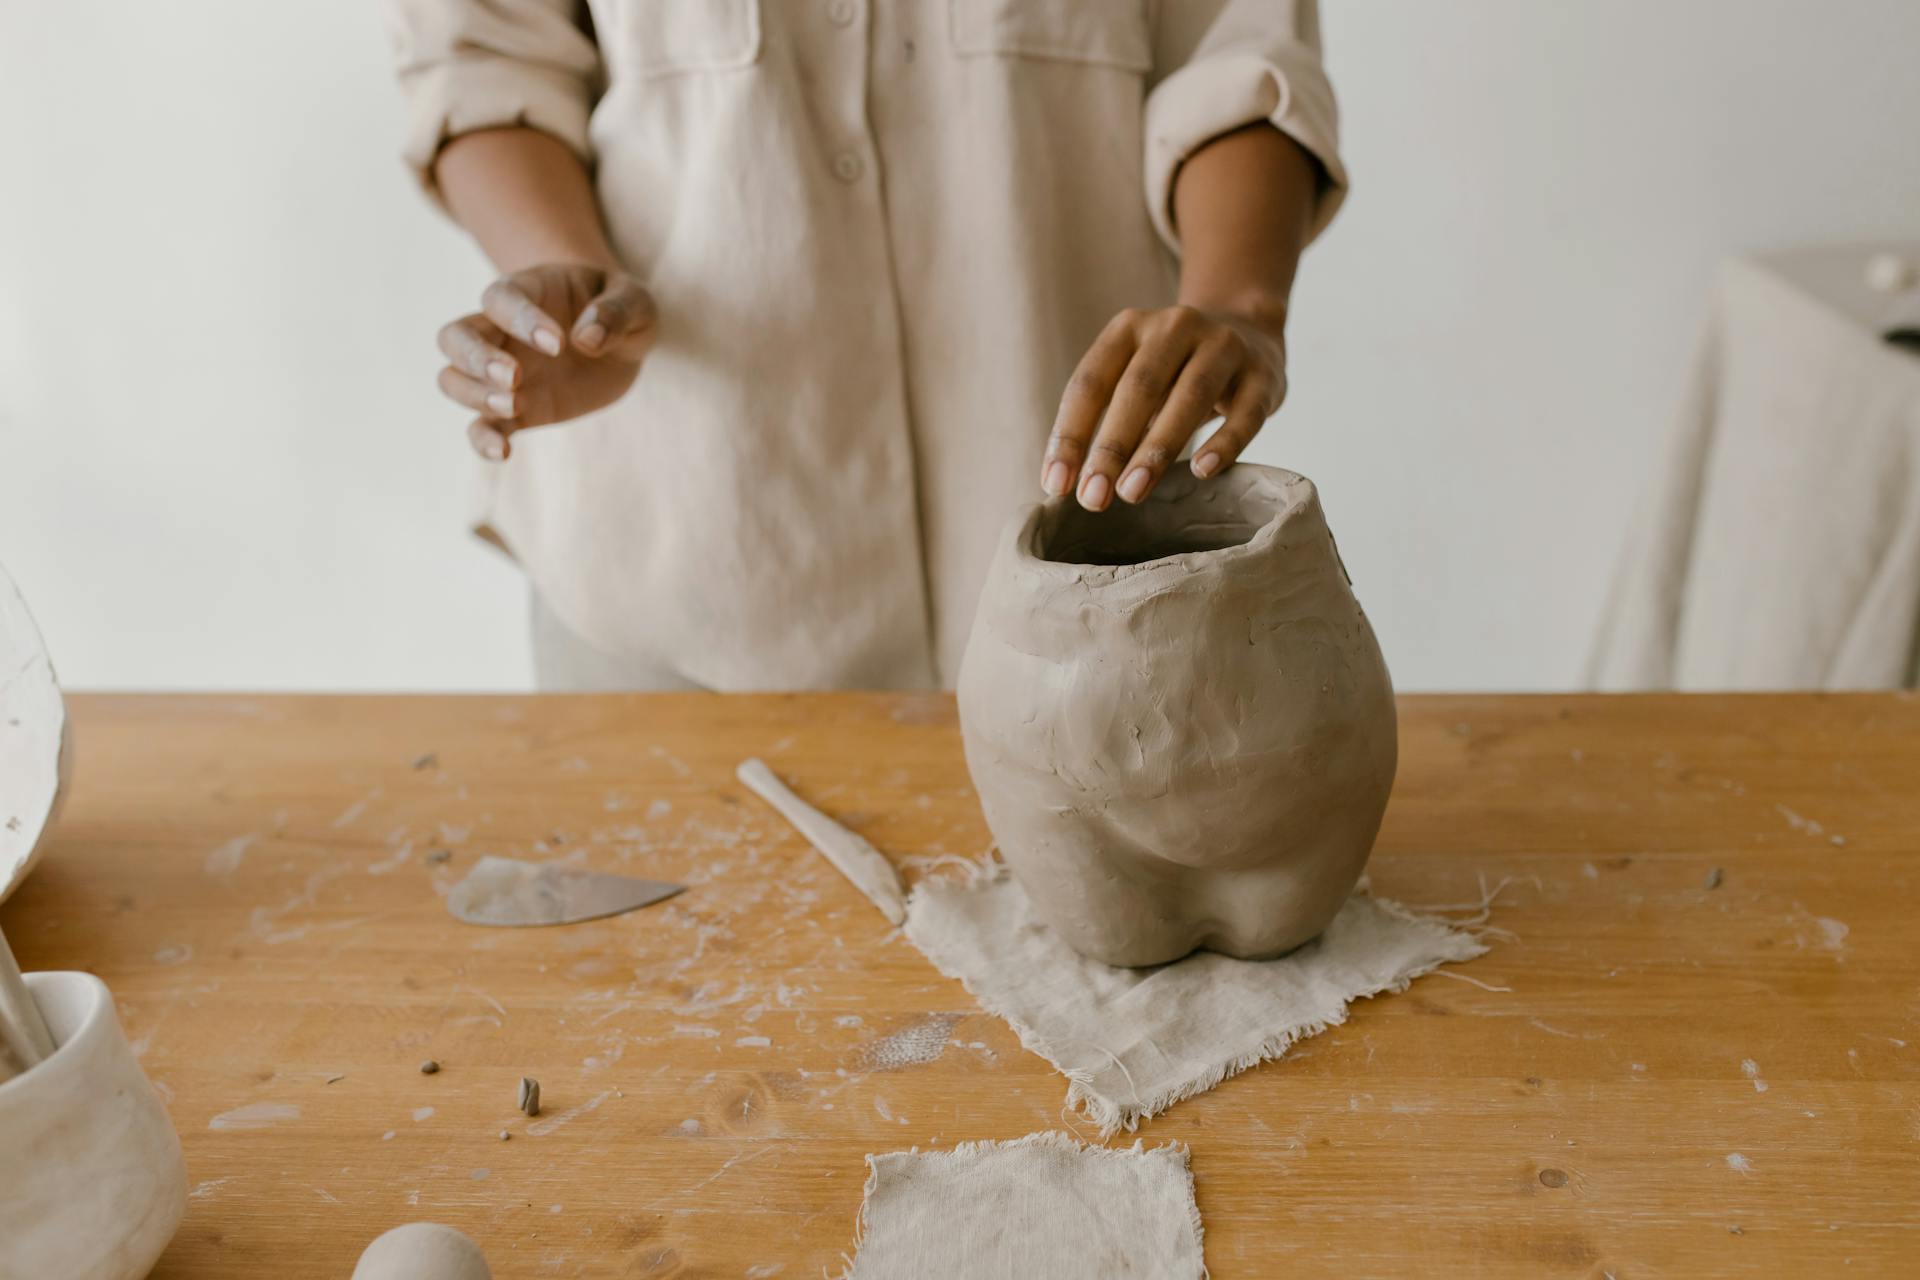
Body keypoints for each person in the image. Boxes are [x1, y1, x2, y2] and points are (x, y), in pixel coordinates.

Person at [384, 0, 1345, 691]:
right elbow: (486, 54)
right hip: (673, 562)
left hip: (1100, 598)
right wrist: (565, 273)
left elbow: (1235, 44)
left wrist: (1240, 300)